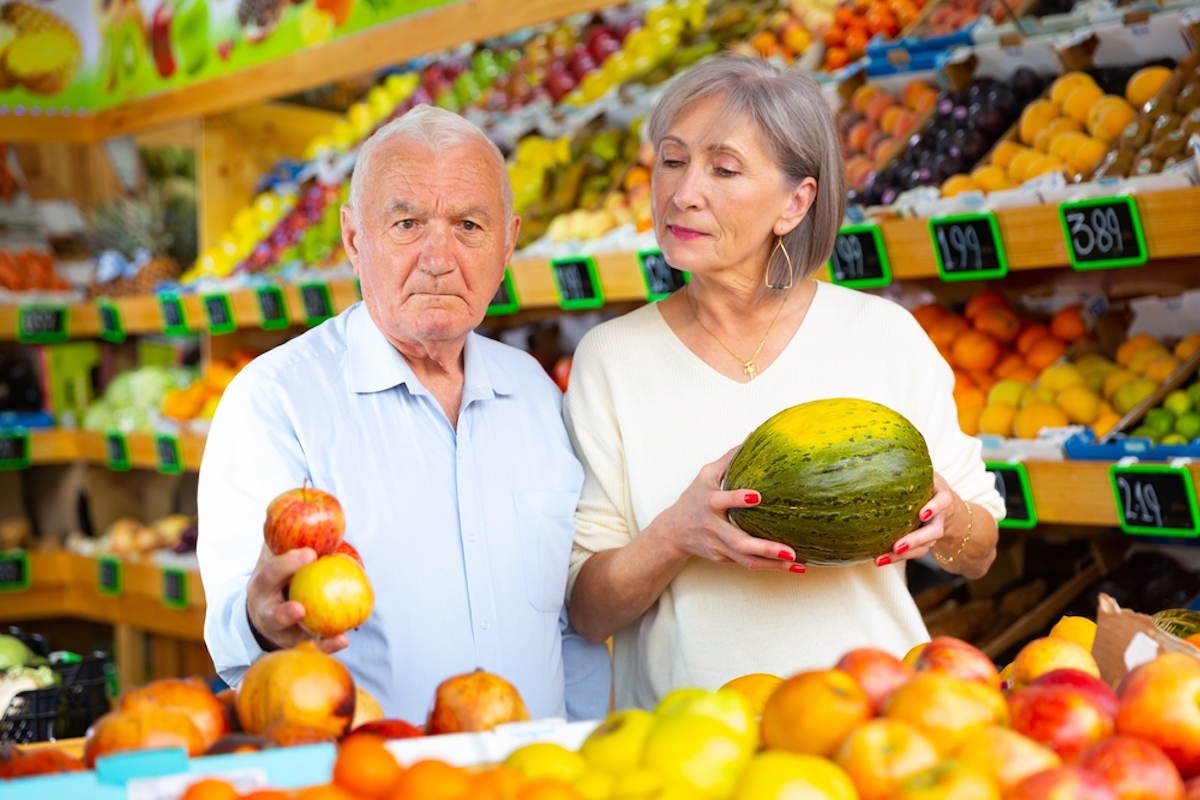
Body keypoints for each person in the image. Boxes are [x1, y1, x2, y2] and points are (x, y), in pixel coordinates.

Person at [564, 54, 1004, 710]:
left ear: (795, 202)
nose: (683, 192)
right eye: (673, 159)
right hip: (696, 746)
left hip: (879, 724)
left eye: (724, 168)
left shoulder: (882, 335)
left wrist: (951, 520)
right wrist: (675, 534)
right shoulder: (609, 359)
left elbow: (981, 550)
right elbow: (587, 611)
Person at [197, 105, 610, 724]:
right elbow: (235, 636)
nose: (439, 257)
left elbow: (568, 625)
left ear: (507, 243)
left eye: (469, 225)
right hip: (374, 781)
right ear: (354, 239)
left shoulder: (536, 395)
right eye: (408, 222)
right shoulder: (276, 401)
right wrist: (260, 620)